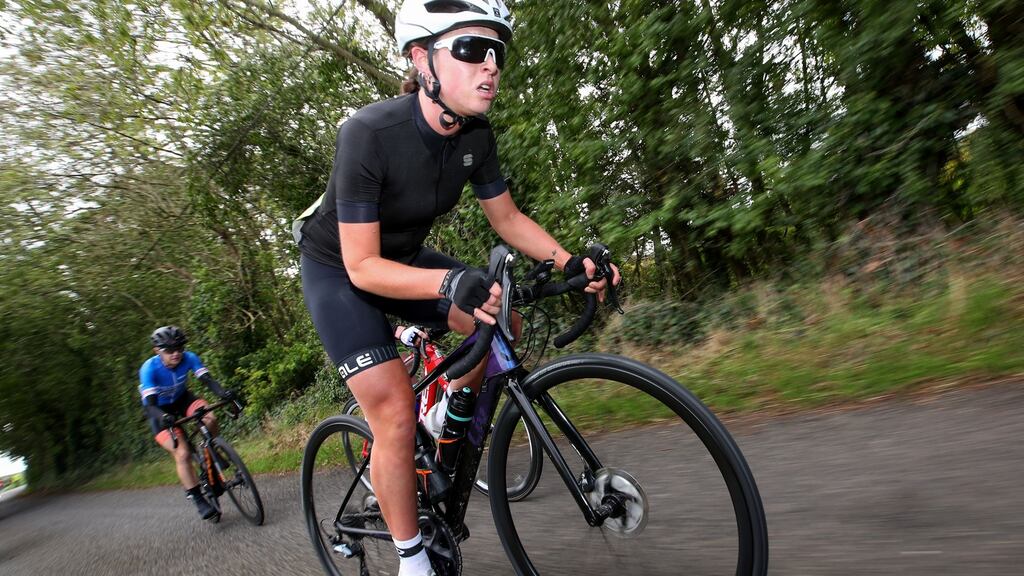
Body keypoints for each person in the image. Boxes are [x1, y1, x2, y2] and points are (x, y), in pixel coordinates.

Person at [295, 1, 619, 574]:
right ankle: (412, 558)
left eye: (497, 51)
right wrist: (450, 279)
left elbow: (509, 221)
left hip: (403, 257)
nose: (490, 65)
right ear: (423, 60)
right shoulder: (367, 133)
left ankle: (449, 413)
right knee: (394, 414)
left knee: (502, 321)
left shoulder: (476, 136)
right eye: (471, 49)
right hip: (342, 269)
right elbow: (364, 265)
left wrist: (572, 263)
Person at [139, 325, 238, 520]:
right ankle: (197, 497)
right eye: (169, 350)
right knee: (182, 453)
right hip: (159, 411)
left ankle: (210, 448)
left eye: (179, 348)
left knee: (210, 417)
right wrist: (165, 418)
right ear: (157, 351)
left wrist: (224, 394)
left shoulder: (189, 357)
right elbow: (149, 406)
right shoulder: (149, 369)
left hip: (182, 399)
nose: (176, 354)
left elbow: (207, 380)